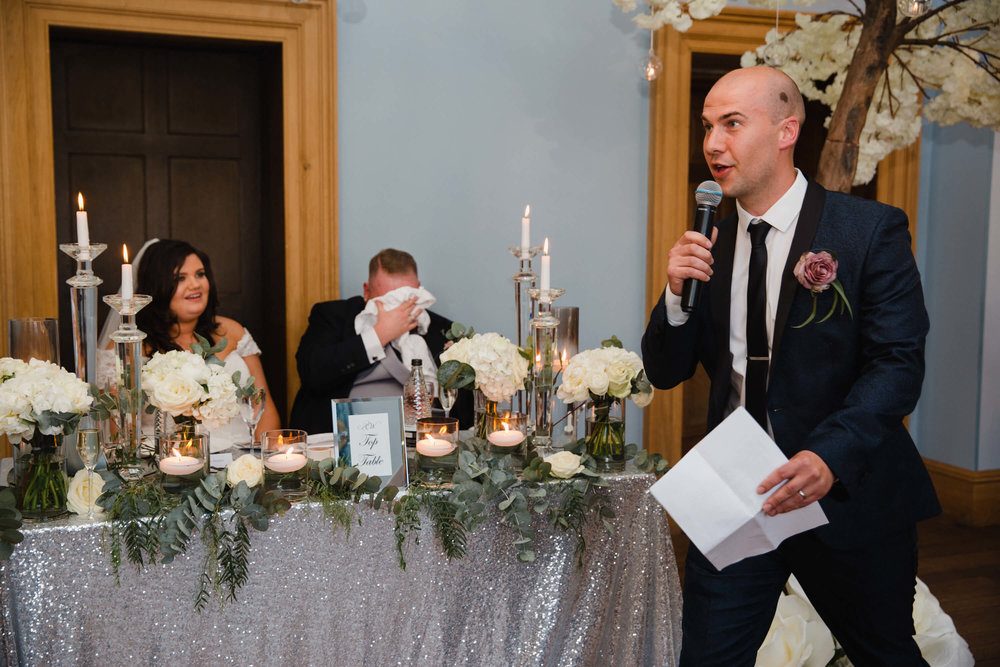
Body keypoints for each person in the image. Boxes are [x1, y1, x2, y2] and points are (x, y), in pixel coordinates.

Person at [641, 66, 940, 666]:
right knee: (707, 657)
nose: (712, 144)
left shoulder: (866, 231)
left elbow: (897, 363)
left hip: (845, 490)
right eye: (706, 127)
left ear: (786, 130)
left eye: (731, 124)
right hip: (737, 490)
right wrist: (676, 294)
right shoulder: (712, 243)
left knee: (882, 651)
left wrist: (829, 455)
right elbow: (665, 369)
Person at [97, 239, 280, 449]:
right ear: (157, 286)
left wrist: (262, 461)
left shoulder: (233, 331)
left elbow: (264, 410)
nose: (195, 284)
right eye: (180, 278)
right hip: (166, 463)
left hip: (242, 457)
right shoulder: (126, 345)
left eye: (200, 274)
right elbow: (118, 432)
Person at [290, 248, 472, 434]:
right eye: (388, 301)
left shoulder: (442, 330)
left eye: (406, 299)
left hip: (426, 438)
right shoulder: (333, 316)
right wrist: (380, 334)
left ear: (418, 290)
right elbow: (312, 373)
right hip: (348, 435)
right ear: (367, 292)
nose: (397, 310)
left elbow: (464, 402)